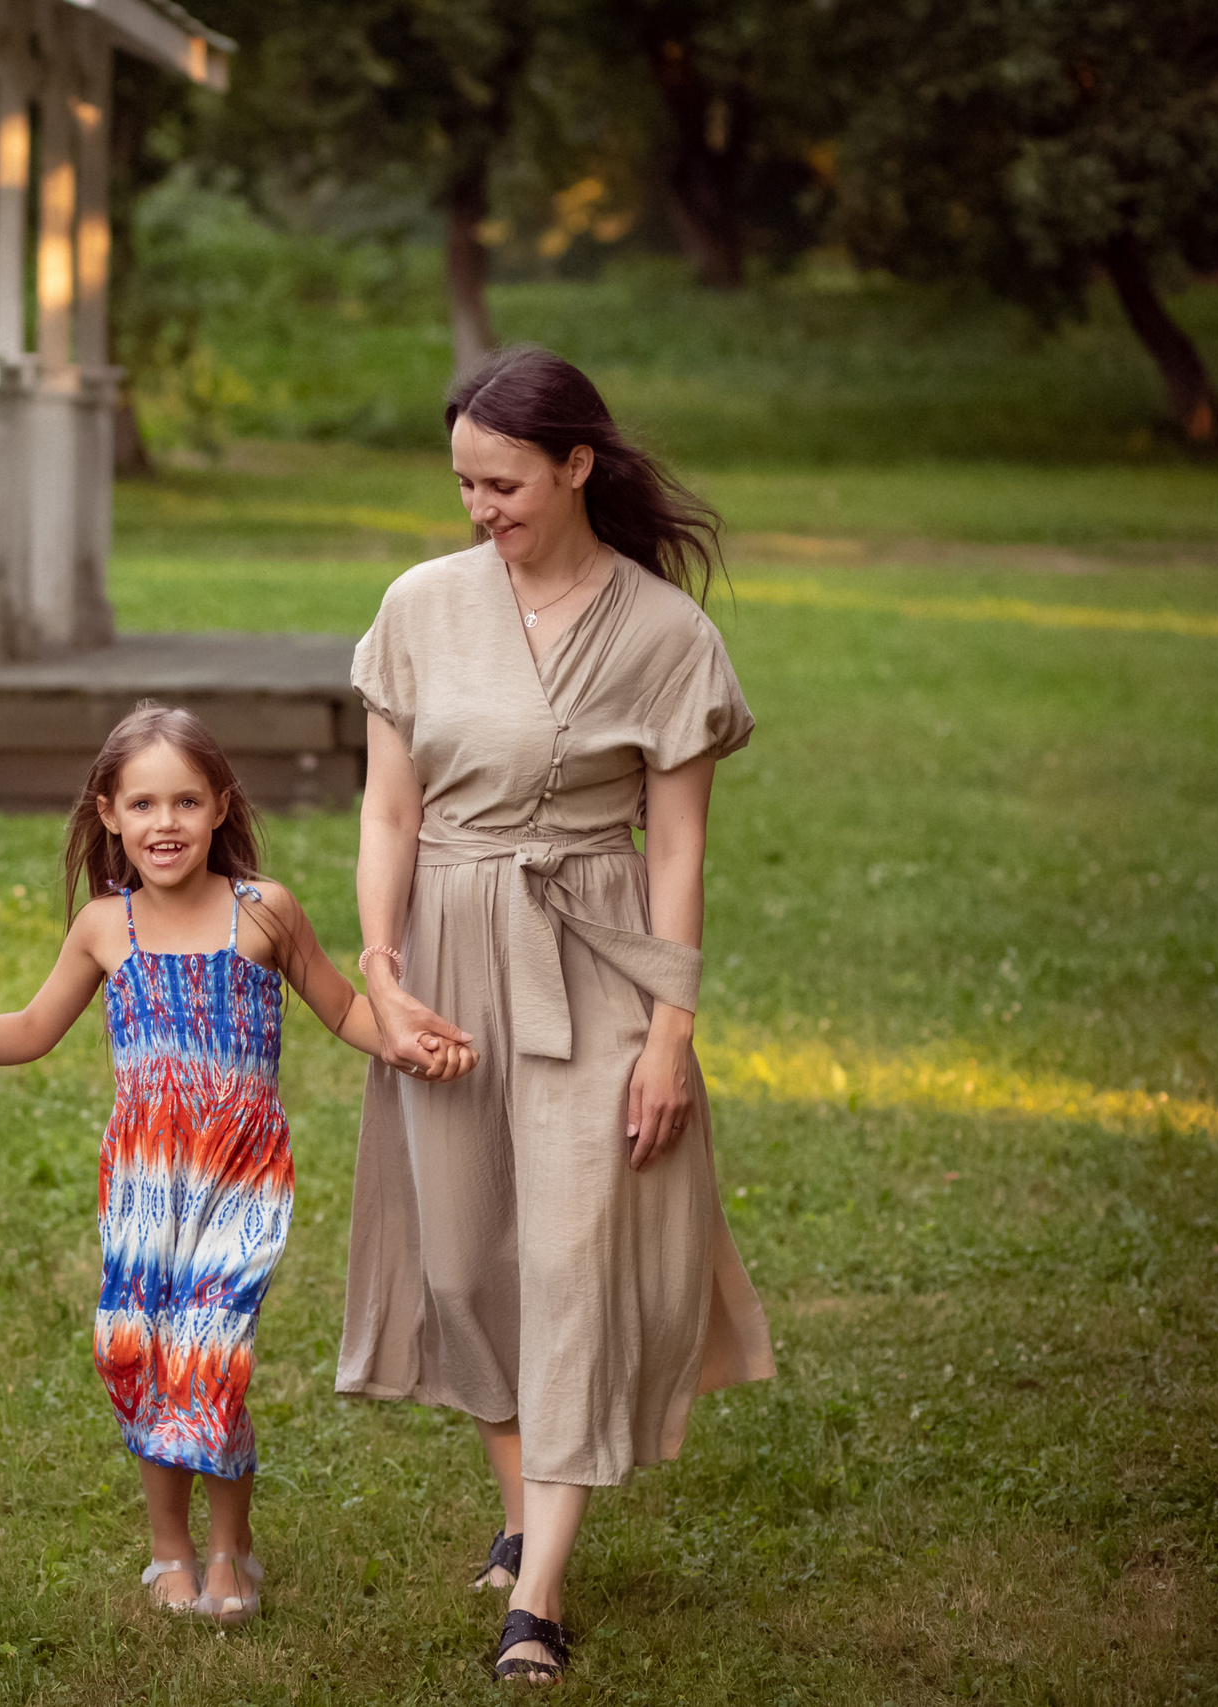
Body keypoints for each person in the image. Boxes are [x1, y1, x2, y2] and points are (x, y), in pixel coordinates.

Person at [336, 345, 776, 1683]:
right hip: (450, 948)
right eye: (465, 482)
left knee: (578, 1261)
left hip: (597, 956)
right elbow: (388, 805)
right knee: (467, 1264)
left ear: (577, 463)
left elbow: (684, 849)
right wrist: (381, 959)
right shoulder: (420, 604)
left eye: (505, 481)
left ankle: (539, 1593)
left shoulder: (665, 632)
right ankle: (522, 1501)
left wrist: (673, 1029)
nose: (481, 505)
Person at [0, 703, 476, 1624]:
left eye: (187, 801)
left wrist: (404, 1040)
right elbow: (33, 1029)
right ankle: (169, 1549)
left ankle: (231, 1547)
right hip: (145, 1180)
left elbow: (346, 1007)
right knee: (143, 1348)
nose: (166, 823)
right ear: (108, 812)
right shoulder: (105, 928)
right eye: (143, 803)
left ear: (221, 806)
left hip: (240, 1172)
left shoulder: (262, 911)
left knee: (211, 1351)